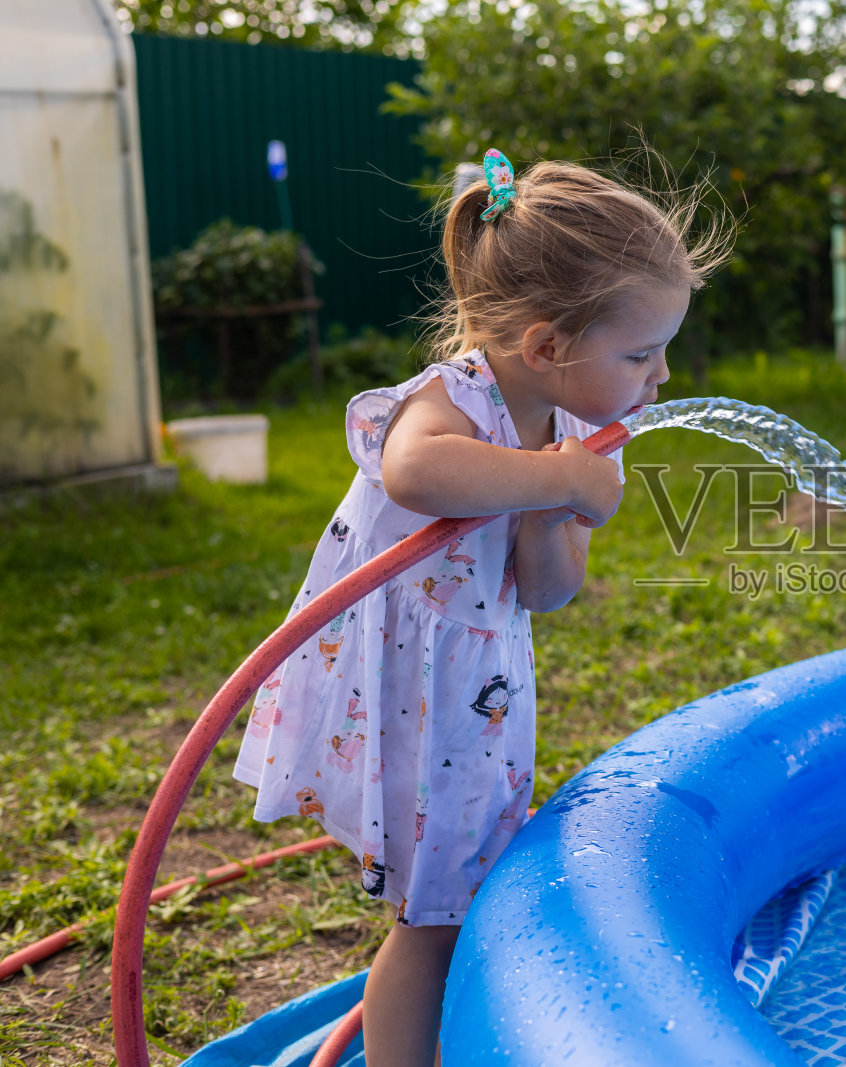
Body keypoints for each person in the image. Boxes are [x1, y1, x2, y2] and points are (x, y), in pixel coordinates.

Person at [233, 149, 729, 1065]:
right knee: (432, 914)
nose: (660, 376)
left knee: (465, 894)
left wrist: (555, 505)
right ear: (545, 347)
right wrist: (550, 476)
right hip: (406, 681)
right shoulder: (448, 399)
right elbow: (412, 471)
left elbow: (548, 589)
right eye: (641, 352)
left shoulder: (579, 433)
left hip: (479, 681)